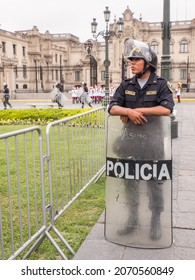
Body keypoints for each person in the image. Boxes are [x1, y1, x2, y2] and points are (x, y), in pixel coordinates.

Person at [108, 39, 175, 241]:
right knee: (130, 183)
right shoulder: (126, 84)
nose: (132, 62)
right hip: (130, 143)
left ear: (147, 63)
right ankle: (132, 219)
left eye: (136, 59)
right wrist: (126, 110)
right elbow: (111, 107)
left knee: (154, 183)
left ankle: (155, 221)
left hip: (152, 144)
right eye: (131, 59)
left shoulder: (161, 84)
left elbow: (166, 108)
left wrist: (137, 111)